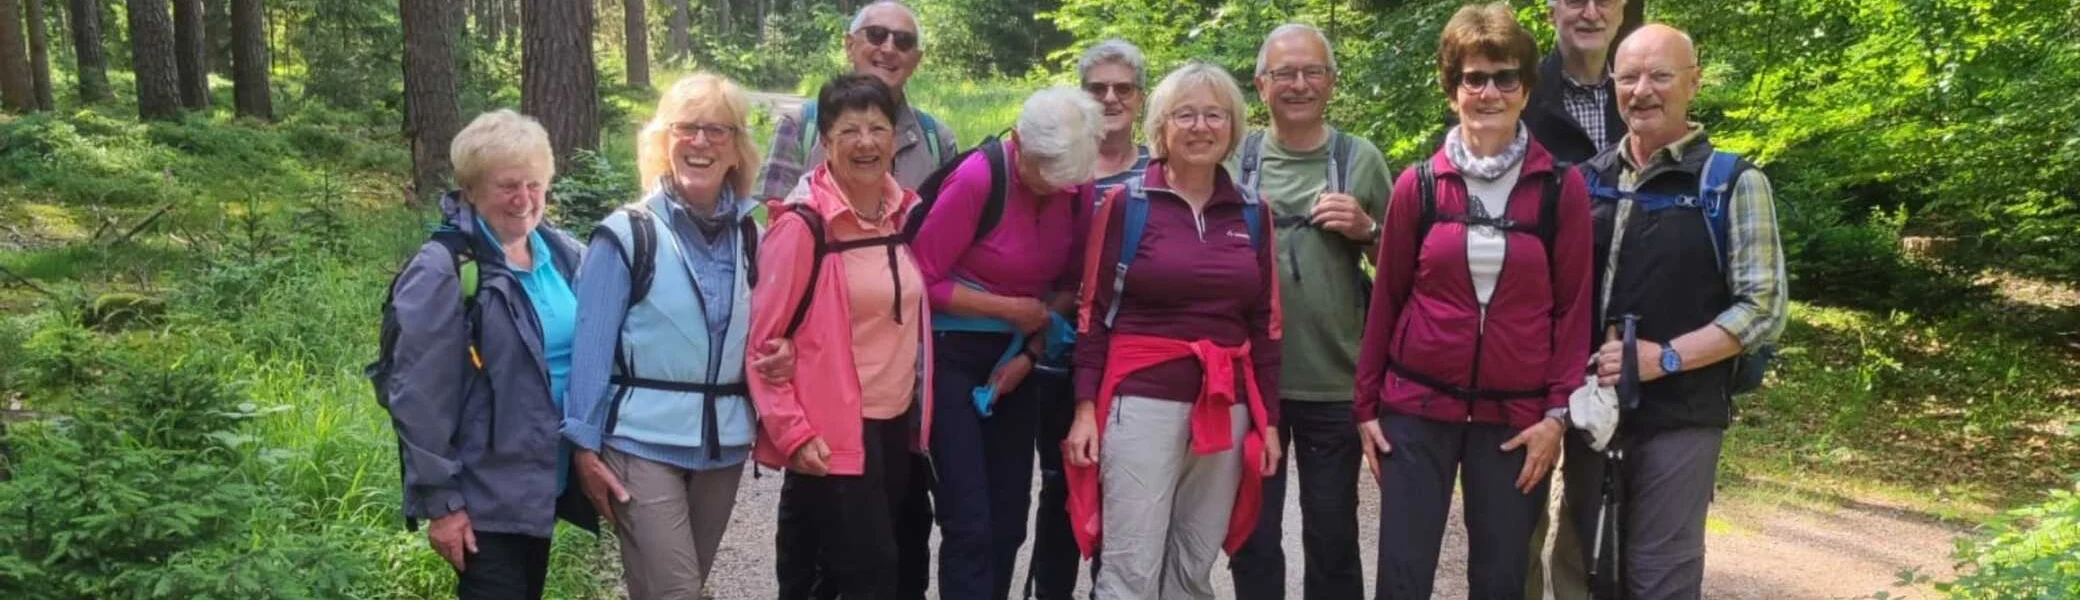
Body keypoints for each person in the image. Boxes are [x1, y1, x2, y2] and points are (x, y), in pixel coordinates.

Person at [1351, 4, 1595, 598]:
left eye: (1504, 77)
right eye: (1474, 77)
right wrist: (1366, 407)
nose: (1489, 92)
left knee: (1500, 577)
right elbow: (1388, 299)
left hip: (1516, 421)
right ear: (1453, 88)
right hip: (1415, 409)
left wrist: (1556, 416)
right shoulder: (1420, 185)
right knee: (1403, 575)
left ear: (1525, 88)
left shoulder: (1561, 187)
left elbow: (1574, 310)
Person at [1564, 24, 1787, 599]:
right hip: (1591, 414)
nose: (1642, 90)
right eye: (1629, 76)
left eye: (1660, 75)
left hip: (1682, 417)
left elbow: (1763, 307)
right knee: (1588, 569)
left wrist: (1661, 358)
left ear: (1694, 83)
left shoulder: (1732, 183)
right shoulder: (1586, 181)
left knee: (1658, 575)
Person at [561, 73, 796, 600]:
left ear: (738, 150)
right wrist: (583, 447)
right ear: (663, 143)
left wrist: (786, 351)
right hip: (639, 442)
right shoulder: (626, 234)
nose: (701, 142)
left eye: (718, 130)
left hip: (725, 445)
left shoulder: (755, 236)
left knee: (664, 590)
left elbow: (774, 328)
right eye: (686, 128)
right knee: (678, 593)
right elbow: (590, 348)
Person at [1061, 61, 1284, 600]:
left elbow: (1266, 323)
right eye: (1186, 114)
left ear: (1232, 127)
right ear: (1161, 126)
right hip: (1140, 403)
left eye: (1214, 115)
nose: (1200, 127)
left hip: (1224, 404)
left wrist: (1269, 422)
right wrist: (1085, 409)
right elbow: (1091, 312)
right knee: (1130, 569)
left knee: (1193, 563)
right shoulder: (1125, 205)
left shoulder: (1254, 212)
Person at [377, 110, 590, 599]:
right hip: (482, 497)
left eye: (535, 185)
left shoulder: (560, 254)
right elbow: (418, 397)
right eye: (507, 186)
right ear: (469, 190)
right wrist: (443, 505)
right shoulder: (443, 270)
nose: (524, 200)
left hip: (541, 485)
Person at [748, 73, 935, 600]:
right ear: (825, 143)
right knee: (863, 574)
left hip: (896, 426)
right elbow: (764, 346)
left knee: (893, 571)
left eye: (878, 128)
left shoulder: (906, 215)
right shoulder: (803, 228)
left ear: (895, 141)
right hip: (833, 434)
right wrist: (794, 434)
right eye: (849, 130)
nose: (866, 142)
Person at [910, 86, 1102, 600]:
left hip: (1021, 359)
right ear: (1018, 141)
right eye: (1044, 175)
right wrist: (1007, 309)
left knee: (1009, 520)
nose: (1053, 190)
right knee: (969, 521)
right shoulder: (980, 177)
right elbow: (919, 278)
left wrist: (1029, 354)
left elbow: (1069, 286)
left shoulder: (1074, 188)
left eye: (1065, 181)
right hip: (952, 353)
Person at [1227, 23, 1392, 600]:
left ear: (1331, 82)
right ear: (1260, 84)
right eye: (1284, 74)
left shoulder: (1360, 159)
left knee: (1332, 537)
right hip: (1250, 385)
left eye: (1312, 72)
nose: (1299, 85)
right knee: (1251, 535)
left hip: (1334, 382)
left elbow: (1406, 271)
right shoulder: (1233, 161)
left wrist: (1367, 228)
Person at [1025, 38, 1149, 600]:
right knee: (1058, 488)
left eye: (1122, 88)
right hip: (1056, 353)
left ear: (1141, 98)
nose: (1110, 98)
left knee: (1121, 494)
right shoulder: (1056, 169)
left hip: (1130, 358)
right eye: (1097, 88)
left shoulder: (1160, 173)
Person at [1522, 0, 1631, 597]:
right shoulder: (1517, 92)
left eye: (1604, 0)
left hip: (1615, 341)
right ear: (1551, 9)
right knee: (1516, 513)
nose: (1589, 11)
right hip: (1529, 338)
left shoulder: (1642, 94)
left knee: (1596, 520)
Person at [758, 1, 961, 200]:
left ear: (916, 59)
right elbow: (777, 220)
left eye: (903, 41)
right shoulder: (799, 126)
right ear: (849, 45)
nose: (889, 49)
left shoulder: (938, 141)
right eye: (876, 35)